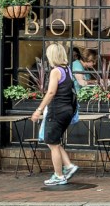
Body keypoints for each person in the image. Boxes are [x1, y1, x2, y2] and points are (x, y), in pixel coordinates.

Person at [31, 43, 80, 186]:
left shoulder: (55, 71)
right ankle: (69, 166)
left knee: (51, 143)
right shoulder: (68, 69)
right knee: (55, 141)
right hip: (67, 111)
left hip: (56, 111)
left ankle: (59, 175)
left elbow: (51, 92)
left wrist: (39, 110)